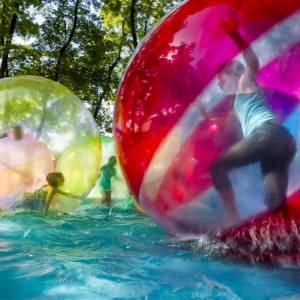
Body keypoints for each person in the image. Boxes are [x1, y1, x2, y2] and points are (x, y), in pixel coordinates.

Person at [198, 19, 296, 223]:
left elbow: (252, 62)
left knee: (217, 168)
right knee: (275, 204)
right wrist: (207, 116)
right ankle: (289, 243)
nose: (218, 82)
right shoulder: (238, 102)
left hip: (267, 136)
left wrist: (235, 35)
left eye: (220, 78)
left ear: (232, 74)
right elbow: (225, 123)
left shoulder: (244, 82)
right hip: (282, 142)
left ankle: (232, 218)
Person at [11, 172, 76, 215]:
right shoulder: (51, 189)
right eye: (59, 180)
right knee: (12, 211)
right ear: (54, 181)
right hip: (28, 199)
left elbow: (65, 194)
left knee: (14, 210)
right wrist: (44, 216)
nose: (61, 181)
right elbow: (47, 203)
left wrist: (76, 197)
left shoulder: (53, 188)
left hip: (31, 199)